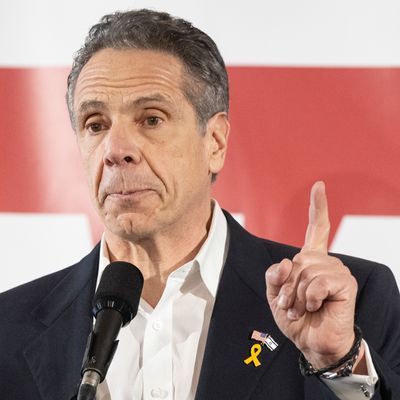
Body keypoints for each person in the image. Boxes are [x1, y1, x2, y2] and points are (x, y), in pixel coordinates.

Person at [0, 9, 399, 400]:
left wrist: (342, 367)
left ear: (215, 143)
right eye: (95, 124)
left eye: (151, 119)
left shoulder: (348, 305)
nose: (115, 150)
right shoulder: (10, 326)